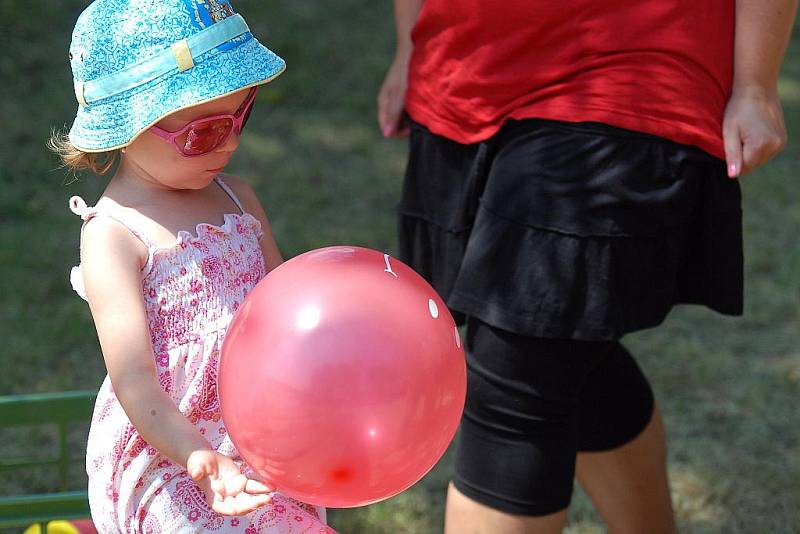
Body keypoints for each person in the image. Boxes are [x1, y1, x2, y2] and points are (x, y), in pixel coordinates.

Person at [377, 0, 796, 532]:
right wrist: (409, 41)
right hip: (465, 64)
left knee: (519, 367)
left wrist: (756, 82)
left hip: (635, 61)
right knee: (568, 352)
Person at [52, 1, 337, 531]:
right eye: (202, 132)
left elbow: (284, 313)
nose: (228, 142)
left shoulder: (239, 198)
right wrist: (194, 455)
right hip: (170, 450)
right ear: (128, 128)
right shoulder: (114, 236)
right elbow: (134, 379)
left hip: (260, 429)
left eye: (239, 116)